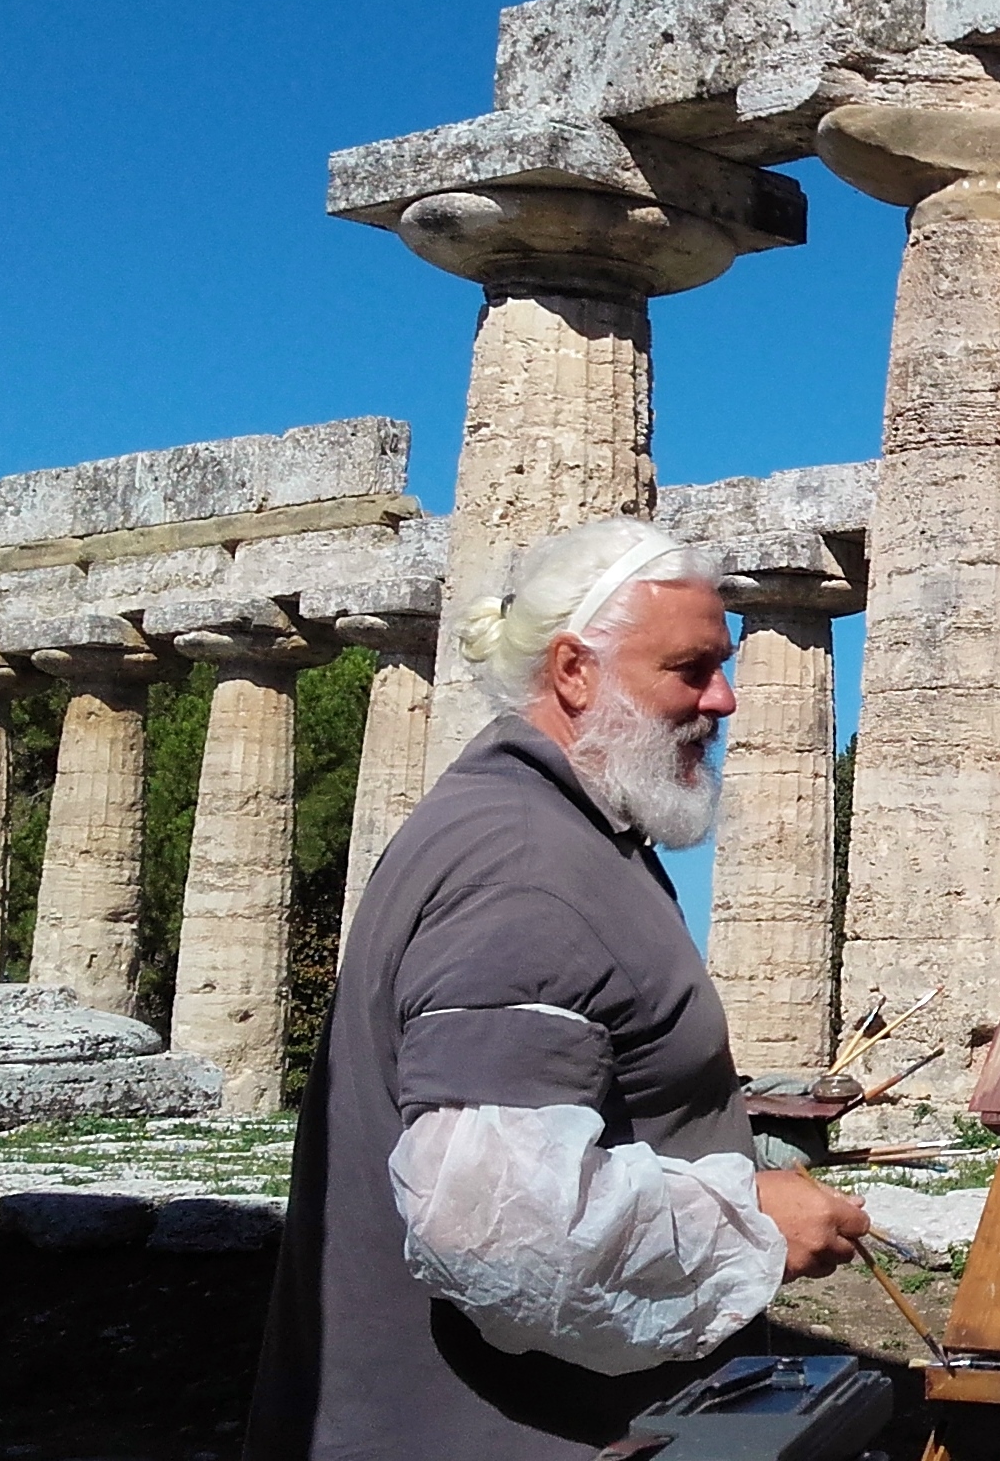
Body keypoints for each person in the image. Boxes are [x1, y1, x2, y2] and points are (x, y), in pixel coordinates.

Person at [247, 518, 872, 1461]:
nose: (727, 698)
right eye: (691, 668)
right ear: (576, 671)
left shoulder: (554, 832)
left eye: (723, 663)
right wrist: (752, 1222)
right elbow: (496, 1222)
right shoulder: (527, 868)